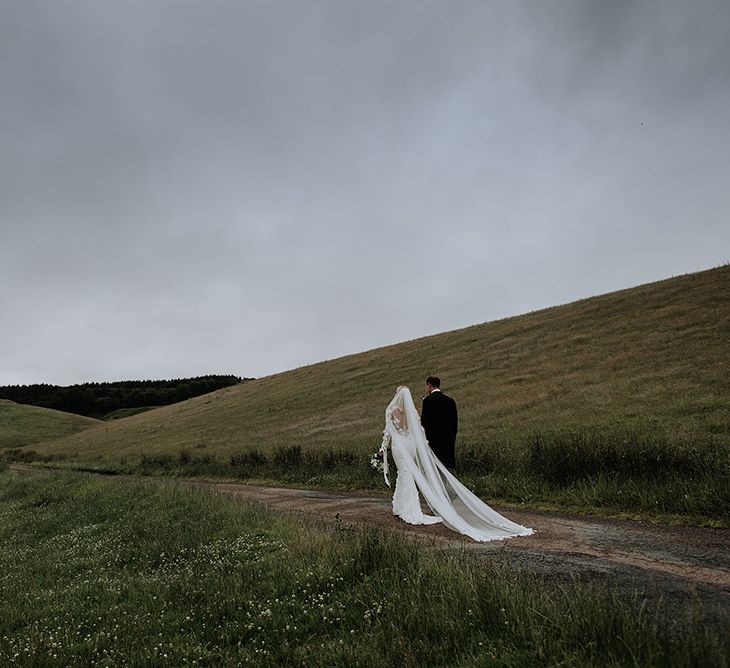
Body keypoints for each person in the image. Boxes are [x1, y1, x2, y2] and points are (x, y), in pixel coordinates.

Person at [379, 386, 533, 542]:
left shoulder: (392, 411)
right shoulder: (410, 412)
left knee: (404, 473)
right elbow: (412, 430)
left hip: (399, 447)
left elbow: (390, 432)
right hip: (409, 446)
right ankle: (402, 506)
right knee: (406, 474)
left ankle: (405, 508)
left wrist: (382, 449)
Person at [420, 376, 457, 469]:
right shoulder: (450, 401)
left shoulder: (428, 400)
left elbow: (425, 421)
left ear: (429, 385)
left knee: (435, 466)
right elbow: (454, 421)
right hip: (448, 436)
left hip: (433, 438)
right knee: (446, 464)